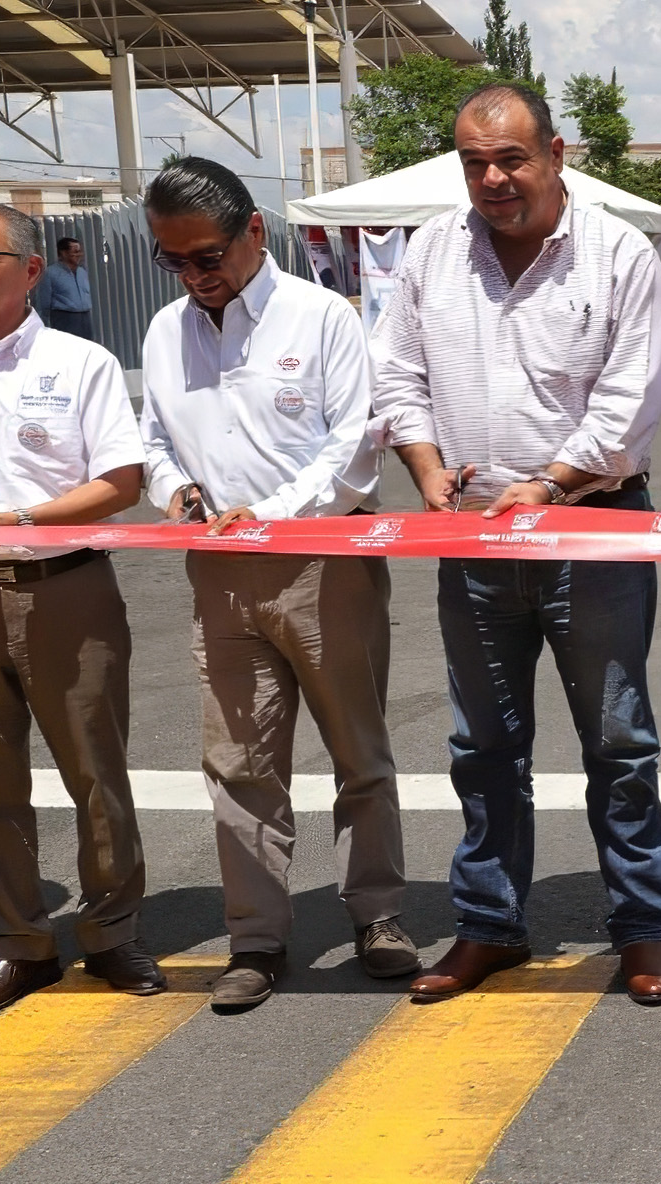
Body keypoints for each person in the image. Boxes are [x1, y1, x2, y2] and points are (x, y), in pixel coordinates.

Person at [374, 83, 661, 1005]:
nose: (494, 179)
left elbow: (631, 401)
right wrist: (425, 470)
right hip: (472, 538)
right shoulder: (433, 252)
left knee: (618, 743)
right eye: (474, 163)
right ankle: (490, 925)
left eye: (510, 159)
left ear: (554, 152)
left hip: (592, 527)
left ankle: (641, 926)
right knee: (483, 746)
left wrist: (548, 484)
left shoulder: (619, 253)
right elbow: (397, 375)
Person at [136, 158, 410, 1011]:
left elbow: (353, 448)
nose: (194, 275)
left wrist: (272, 513)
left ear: (254, 231)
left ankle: (377, 914)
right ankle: (256, 938)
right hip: (218, 574)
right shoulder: (164, 332)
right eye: (172, 260)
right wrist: (173, 491)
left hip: (324, 564)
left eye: (206, 255)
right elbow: (153, 441)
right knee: (238, 763)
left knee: (357, 753)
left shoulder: (322, 317)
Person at [0, 201, 158, 1019]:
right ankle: (22, 945)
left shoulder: (80, 363)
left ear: (30, 270)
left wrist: (21, 518)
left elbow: (121, 480)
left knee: (94, 773)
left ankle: (110, 931)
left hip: (64, 589)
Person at [40, 236, 94, 340]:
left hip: (85, 318)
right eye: (75, 251)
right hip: (65, 318)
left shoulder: (82, 272)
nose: (79, 255)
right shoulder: (51, 273)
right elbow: (43, 303)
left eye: (80, 252)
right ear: (64, 253)